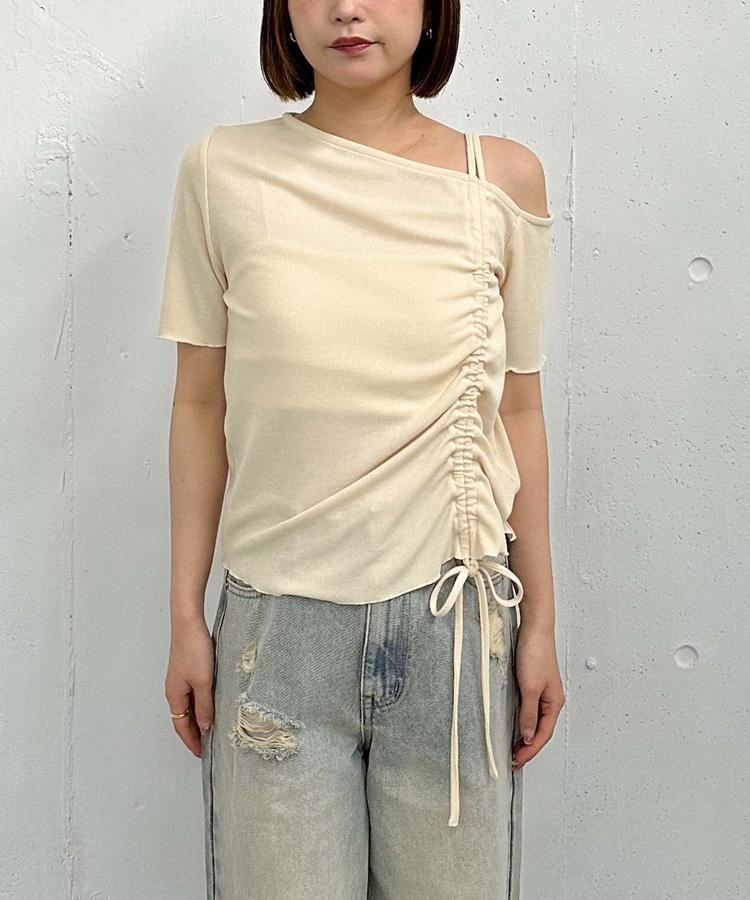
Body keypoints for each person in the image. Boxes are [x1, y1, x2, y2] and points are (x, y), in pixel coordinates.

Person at [158, 1, 565, 897]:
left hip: (453, 625)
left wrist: (539, 622)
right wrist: (186, 613)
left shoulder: (500, 179)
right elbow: (198, 400)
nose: (348, 8)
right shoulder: (222, 170)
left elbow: (519, 409)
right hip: (278, 631)